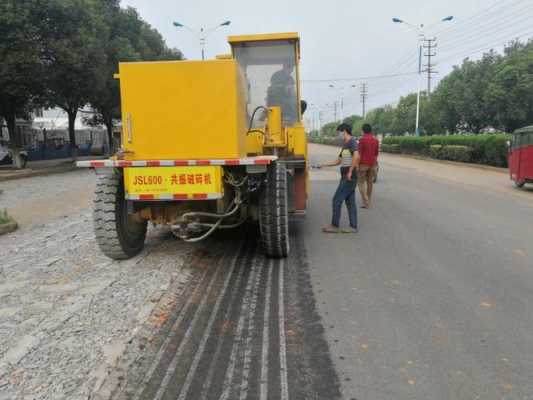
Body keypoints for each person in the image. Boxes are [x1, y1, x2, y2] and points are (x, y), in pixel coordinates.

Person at [321, 123, 360, 233]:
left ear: (344, 131)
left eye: (339, 132)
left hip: (349, 177)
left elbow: (357, 156)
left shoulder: (352, 142)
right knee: (350, 202)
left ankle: (334, 225)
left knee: (336, 199)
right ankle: (353, 227)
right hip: (346, 176)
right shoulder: (345, 144)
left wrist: (351, 171)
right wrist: (324, 165)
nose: (338, 134)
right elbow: (338, 161)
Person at [357, 123, 379, 208]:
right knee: (370, 182)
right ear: (371, 130)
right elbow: (376, 153)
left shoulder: (362, 140)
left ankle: (365, 200)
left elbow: (359, 154)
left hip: (363, 164)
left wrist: (357, 165)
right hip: (372, 164)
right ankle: (368, 201)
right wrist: (375, 163)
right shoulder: (375, 140)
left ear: (363, 130)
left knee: (360, 182)